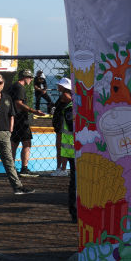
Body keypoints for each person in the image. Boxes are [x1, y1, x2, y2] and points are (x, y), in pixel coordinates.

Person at [0, 74, 32, 195]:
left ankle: (17, 187)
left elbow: (12, 114)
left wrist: (10, 130)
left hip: (3, 133)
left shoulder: (7, 98)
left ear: (3, 84)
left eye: (0, 82)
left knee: (9, 162)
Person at [51, 78, 77, 221]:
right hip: (72, 150)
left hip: (73, 149)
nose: (61, 97)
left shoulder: (69, 107)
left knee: (75, 182)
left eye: (63, 94)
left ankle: (75, 211)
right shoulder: (70, 107)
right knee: (75, 182)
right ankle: (74, 212)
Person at [9, 69, 41, 177]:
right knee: (27, 143)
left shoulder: (13, 86)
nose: (31, 80)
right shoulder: (20, 87)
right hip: (21, 120)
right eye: (30, 77)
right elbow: (18, 103)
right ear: (25, 77)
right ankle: (24, 168)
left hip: (14, 118)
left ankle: (11, 168)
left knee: (14, 143)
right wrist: (34, 111)